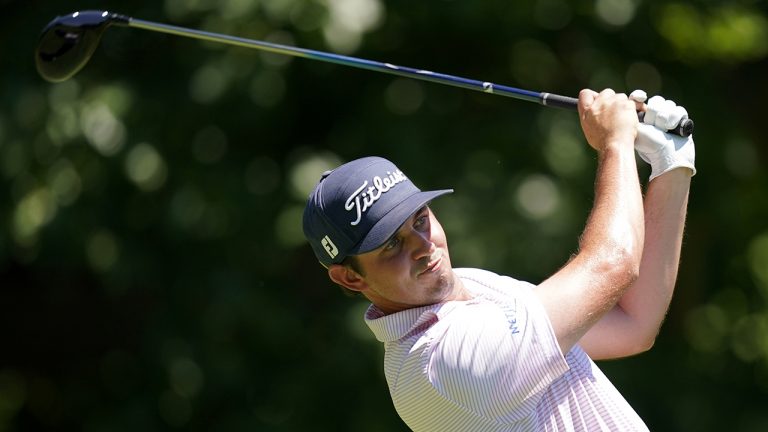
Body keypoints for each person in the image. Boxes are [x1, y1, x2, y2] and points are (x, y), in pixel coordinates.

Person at [302, 88, 695, 431]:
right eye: (390, 244)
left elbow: (632, 323)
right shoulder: (438, 362)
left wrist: (670, 166)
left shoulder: (470, 288)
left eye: (420, 220)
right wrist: (615, 144)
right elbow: (613, 265)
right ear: (350, 278)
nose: (422, 246)